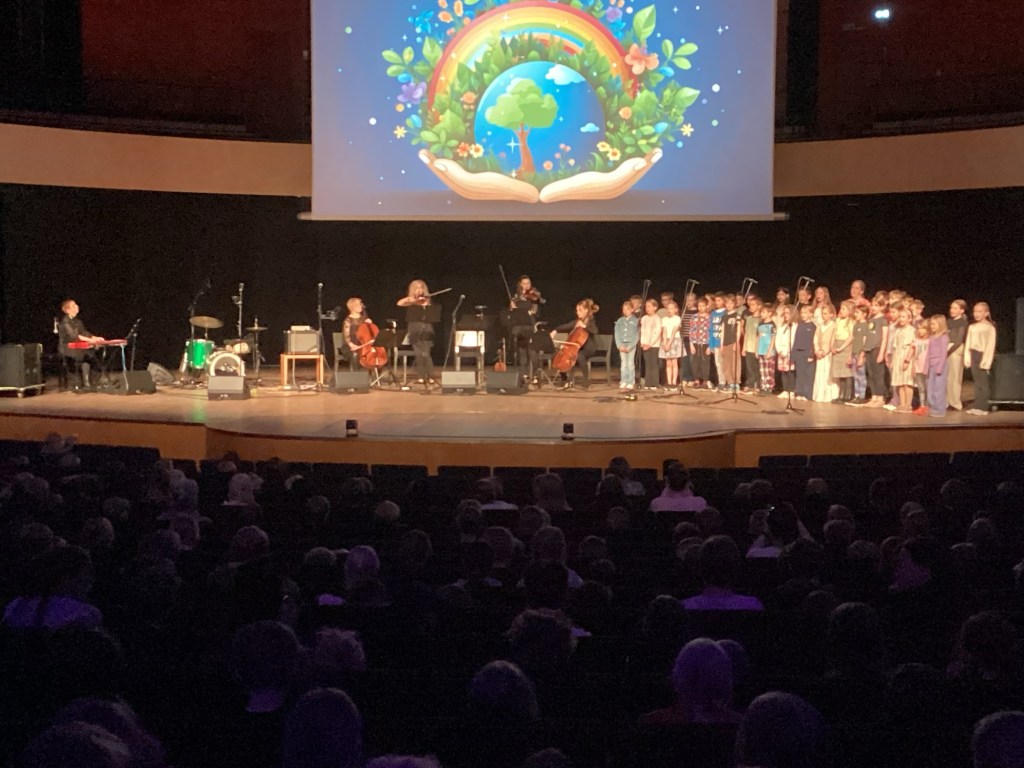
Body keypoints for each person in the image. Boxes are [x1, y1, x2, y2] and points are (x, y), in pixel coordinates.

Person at [58, 298, 106, 389]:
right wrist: (91, 341)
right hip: (68, 348)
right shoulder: (65, 322)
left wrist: (95, 338)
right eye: (73, 306)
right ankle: (86, 382)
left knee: (93, 354)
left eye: (76, 305)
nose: (76, 306)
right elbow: (74, 336)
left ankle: (91, 381)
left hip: (79, 346)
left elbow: (85, 333)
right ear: (68, 310)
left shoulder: (78, 321)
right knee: (86, 355)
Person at [551, 299, 598, 390]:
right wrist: (555, 330)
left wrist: (584, 326)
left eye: (580, 310)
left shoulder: (590, 320)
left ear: (586, 310)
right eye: (577, 310)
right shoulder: (577, 321)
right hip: (577, 346)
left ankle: (586, 380)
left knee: (580, 356)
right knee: (559, 354)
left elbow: (595, 331)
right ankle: (565, 379)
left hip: (588, 347)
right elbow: (566, 326)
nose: (577, 312)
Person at [397, 279, 436, 385]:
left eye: (421, 287)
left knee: (426, 353)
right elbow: (399, 303)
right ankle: (421, 376)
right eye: (416, 288)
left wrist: (424, 303)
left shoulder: (427, 300)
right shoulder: (411, 301)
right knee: (419, 354)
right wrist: (411, 299)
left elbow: (430, 313)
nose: (419, 290)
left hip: (426, 328)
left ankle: (430, 376)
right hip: (414, 329)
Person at [965, 301, 996, 416]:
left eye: (979, 311)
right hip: (973, 354)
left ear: (986, 313)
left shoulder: (989, 328)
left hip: (982, 355)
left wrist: (986, 361)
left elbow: (990, 345)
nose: (976, 314)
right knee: (977, 382)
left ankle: (983, 407)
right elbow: (968, 343)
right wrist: (967, 357)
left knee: (983, 382)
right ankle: (977, 406)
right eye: (975, 311)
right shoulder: (972, 327)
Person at [887, 306, 916, 413]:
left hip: (906, 355)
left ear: (909, 319)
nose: (901, 319)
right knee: (900, 383)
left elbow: (913, 346)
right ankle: (902, 404)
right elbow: (895, 346)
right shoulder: (898, 330)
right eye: (900, 317)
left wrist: (907, 360)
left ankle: (908, 405)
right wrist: (893, 360)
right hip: (898, 356)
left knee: (907, 383)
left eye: (904, 317)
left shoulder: (912, 330)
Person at [863, 297, 890, 408]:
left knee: (878, 374)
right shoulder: (870, 319)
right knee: (871, 374)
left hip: (877, 349)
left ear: (882, 307)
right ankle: (874, 396)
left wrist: (881, 353)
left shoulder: (883, 320)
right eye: (872, 305)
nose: (873, 307)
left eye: (876, 305)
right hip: (868, 348)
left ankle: (880, 397)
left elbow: (885, 337)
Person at [812, 303, 837, 403]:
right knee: (820, 374)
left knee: (827, 374)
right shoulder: (820, 326)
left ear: (831, 314)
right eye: (822, 313)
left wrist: (825, 352)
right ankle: (819, 395)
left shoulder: (833, 325)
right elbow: (816, 338)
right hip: (820, 353)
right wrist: (817, 350)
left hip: (828, 354)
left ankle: (829, 395)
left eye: (825, 313)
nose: (823, 316)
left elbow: (833, 340)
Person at [831, 300, 855, 403]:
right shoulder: (838, 320)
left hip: (846, 346)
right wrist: (832, 345)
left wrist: (842, 347)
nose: (841, 310)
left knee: (846, 372)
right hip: (837, 344)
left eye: (844, 309)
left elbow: (851, 336)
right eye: (841, 308)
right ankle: (841, 394)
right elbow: (834, 333)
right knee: (839, 372)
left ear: (850, 311)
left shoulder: (851, 321)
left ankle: (847, 395)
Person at [946, 299, 969, 411]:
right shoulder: (949, 321)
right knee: (947, 378)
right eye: (951, 308)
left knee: (955, 377)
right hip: (947, 348)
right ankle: (947, 401)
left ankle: (955, 402)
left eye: (955, 308)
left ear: (962, 310)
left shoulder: (962, 323)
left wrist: (948, 351)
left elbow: (959, 340)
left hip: (955, 349)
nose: (952, 310)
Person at [847, 303, 871, 406]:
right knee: (855, 376)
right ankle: (856, 395)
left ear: (864, 314)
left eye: (857, 312)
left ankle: (862, 395)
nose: (855, 314)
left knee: (861, 376)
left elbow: (865, 342)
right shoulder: (856, 325)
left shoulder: (866, 326)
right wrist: (849, 355)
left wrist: (862, 355)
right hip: (854, 353)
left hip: (860, 354)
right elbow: (853, 341)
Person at [926, 314, 950, 417]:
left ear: (940, 324)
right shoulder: (931, 337)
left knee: (939, 388)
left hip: (940, 365)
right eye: (931, 324)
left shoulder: (943, 337)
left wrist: (939, 368)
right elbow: (929, 352)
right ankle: (933, 408)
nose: (932, 326)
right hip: (931, 365)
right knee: (930, 387)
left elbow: (944, 354)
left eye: (934, 324)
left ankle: (940, 410)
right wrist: (926, 366)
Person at [614, 300, 639, 392]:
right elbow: (617, 334)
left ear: (632, 309)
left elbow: (637, 335)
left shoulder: (636, 321)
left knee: (630, 363)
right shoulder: (620, 321)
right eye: (624, 309)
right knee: (624, 363)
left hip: (630, 345)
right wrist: (619, 345)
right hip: (622, 344)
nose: (625, 311)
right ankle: (624, 380)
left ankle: (631, 381)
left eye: (628, 309)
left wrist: (631, 346)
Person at [792, 304, 817, 401]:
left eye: (805, 313)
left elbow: (813, 341)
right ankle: (799, 392)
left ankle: (807, 394)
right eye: (802, 312)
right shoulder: (800, 325)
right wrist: (793, 353)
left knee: (808, 374)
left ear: (811, 314)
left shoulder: (813, 326)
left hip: (807, 353)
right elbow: (796, 339)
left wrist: (811, 354)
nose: (802, 315)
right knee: (800, 374)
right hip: (799, 352)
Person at [720, 294, 743, 393]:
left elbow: (738, 330)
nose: (729, 305)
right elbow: (722, 330)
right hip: (725, 343)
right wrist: (721, 344)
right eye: (727, 303)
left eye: (731, 303)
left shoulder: (737, 316)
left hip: (733, 342)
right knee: (726, 364)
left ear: (734, 304)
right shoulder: (724, 316)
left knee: (735, 363)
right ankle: (730, 382)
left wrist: (736, 343)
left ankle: (736, 383)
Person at [340, 297, 370, 370]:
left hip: (363, 345)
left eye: (360, 304)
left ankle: (372, 375)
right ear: (352, 307)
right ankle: (357, 374)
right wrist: (352, 345)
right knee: (356, 354)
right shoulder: (348, 320)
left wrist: (370, 325)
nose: (361, 306)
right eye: (358, 304)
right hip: (350, 346)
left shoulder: (364, 319)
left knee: (376, 353)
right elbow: (346, 336)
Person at [688, 297, 711, 389]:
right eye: (699, 306)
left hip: (705, 343)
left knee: (705, 362)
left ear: (707, 306)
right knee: (695, 362)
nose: (701, 308)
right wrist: (691, 344)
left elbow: (711, 331)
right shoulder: (694, 317)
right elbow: (691, 331)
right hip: (695, 342)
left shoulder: (710, 317)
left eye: (703, 306)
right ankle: (696, 380)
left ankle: (705, 380)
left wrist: (710, 346)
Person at [639, 298, 662, 389]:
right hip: (645, 345)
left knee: (654, 364)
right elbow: (643, 331)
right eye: (646, 307)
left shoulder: (657, 319)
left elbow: (657, 333)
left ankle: (654, 383)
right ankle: (648, 383)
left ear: (655, 307)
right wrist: (643, 342)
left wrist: (650, 344)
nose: (647, 308)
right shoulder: (644, 318)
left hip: (654, 345)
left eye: (649, 306)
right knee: (648, 364)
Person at [659, 299, 683, 389]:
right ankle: (669, 382)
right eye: (668, 309)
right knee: (668, 363)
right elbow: (664, 331)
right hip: (666, 341)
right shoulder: (664, 319)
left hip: (674, 340)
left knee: (674, 362)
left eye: (672, 308)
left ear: (676, 310)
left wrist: (669, 343)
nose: (669, 310)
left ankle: (674, 382)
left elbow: (674, 331)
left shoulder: (677, 318)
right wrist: (665, 342)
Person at [755, 303, 777, 396]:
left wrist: (769, 351)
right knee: (762, 370)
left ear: (770, 313)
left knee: (769, 370)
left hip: (769, 351)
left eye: (763, 312)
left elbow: (773, 339)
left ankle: (769, 388)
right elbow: (758, 337)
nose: (761, 314)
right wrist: (756, 350)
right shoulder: (760, 324)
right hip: (761, 350)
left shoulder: (772, 325)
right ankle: (763, 387)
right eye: (761, 312)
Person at [742, 295, 763, 391]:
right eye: (750, 304)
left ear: (759, 306)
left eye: (753, 304)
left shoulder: (761, 319)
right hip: (748, 347)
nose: (751, 306)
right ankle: (750, 384)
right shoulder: (749, 318)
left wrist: (757, 349)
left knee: (757, 367)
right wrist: (744, 348)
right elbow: (746, 333)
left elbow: (760, 335)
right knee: (749, 367)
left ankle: (757, 385)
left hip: (757, 347)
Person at [775, 304, 795, 399]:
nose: (786, 315)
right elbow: (777, 339)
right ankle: (785, 389)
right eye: (785, 313)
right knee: (783, 371)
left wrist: (787, 351)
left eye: (788, 313)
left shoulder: (794, 326)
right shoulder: (782, 326)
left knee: (790, 371)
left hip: (789, 352)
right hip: (781, 352)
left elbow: (793, 340)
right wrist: (779, 350)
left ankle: (791, 390)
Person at [911, 321, 932, 415]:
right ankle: (922, 406)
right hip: (918, 367)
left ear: (927, 329)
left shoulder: (930, 341)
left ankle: (928, 405)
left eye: (922, 328)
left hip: (927, 368)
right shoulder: (916, 341)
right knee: (921, 387)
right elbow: (914, 355)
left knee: (928, 387)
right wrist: (913, 367)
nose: (920, 331)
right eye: (918, 329)